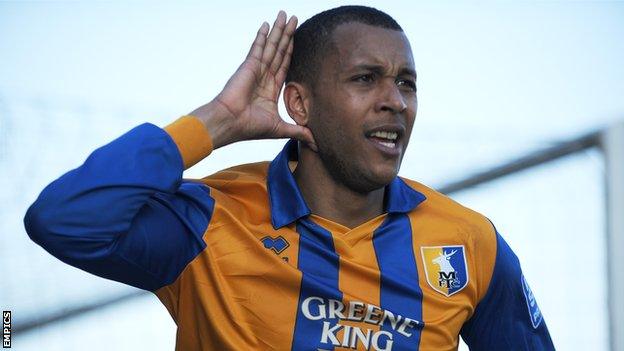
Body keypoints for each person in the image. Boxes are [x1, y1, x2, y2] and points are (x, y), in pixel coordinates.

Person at [24, 5, 555, 351]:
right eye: (365, 79)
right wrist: (216, 121)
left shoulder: (469, 243)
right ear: (299, 103)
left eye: (406, 84)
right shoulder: (212, 221)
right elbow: (63, 220)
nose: (394, 101)